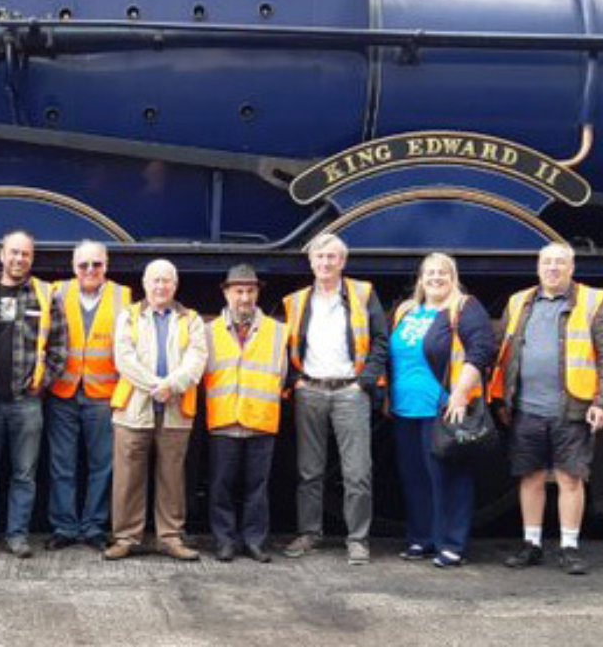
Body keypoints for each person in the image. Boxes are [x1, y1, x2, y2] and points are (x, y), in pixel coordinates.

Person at [491, 242, 603, 575]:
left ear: (572, 269)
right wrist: (504, 399)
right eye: (547, 262)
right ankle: (532, 543)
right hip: (526, 407)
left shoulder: (593, 303)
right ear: (538, 267)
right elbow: (505, 353)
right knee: (531, 477)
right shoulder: (518, 302)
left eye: (560, 263)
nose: (553, 268)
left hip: (572, 407)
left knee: (570, 478)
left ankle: (569, 547)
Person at [282, 233, 388, 565]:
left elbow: (380, 341)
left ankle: (357, 539)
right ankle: (309, 533)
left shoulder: (363, 293)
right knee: (308, 470)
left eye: (332, 257)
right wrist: (295, 382)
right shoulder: (296, 300)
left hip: (349, 391)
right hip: (310, 389)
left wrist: (365, 382)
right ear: (311, 262)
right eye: (320, 257)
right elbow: (282, 346)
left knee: (357, 471)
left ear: (342, 261)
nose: (325, 263)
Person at [387, 253, 495, 568]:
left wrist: (460, 395)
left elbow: (481, 349)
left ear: (453, 278)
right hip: (405, 408)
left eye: (443, 273)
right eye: (430, 273)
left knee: (448, 478)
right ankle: (421, 538)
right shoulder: (407, 311)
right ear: (421, 279)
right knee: (415, 478)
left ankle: (451, 544)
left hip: (443, 406)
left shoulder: (464, 308)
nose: (436, 278)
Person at [0, 230, 67, 558]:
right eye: (13, 253)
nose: (19, 259)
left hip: (27, 401)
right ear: (1, 255)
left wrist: (42, 381)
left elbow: (59, 347)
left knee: (24, 473)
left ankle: (17, 535)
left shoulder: (45, 295)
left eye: (25, 254)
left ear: (32, 258)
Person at [105, 259, 207, 561]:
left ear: (175, 286)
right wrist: (156, 386)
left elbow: (197, 359)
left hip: (175, 410)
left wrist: (172, 386)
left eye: (166, 281)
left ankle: (170, 537)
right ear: (145, 284)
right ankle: (125, 537)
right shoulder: (128, 316)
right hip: (134, 409)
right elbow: (124, 358)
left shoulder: (192, 319)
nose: (161, 286)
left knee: (172, 476)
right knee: (128, 476)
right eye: (155, 281)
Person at [45, 240, 131, 552]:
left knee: (102, 465)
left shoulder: (124, 297)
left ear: (106, 265)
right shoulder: (56, 291)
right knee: (61, 464)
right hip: (63, 391)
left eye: (97, 264)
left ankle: (94, 526)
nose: (90, 270)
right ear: (73, 267)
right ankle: (64, 527)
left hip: (102, 393)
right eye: (84, 265)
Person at [204, 264, 287, 563]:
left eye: (250, 291)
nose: (244, 297)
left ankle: (254, 541)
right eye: (238, 291)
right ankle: (225, 541)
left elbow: (284, 373)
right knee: (221, 486)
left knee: (257, 487)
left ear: (257, 293)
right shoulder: (209, 331)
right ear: (227, 293)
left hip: (260, 420)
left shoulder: (278, 332)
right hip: (224, 420)